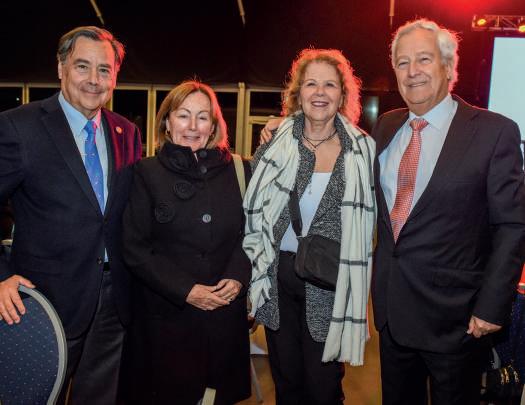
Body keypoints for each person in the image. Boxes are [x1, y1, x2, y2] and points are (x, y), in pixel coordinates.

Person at [371, 19, 525, 405]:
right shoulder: (386, 126)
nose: (412, 71)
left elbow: (511, 225)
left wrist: (492, 306)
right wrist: (285, 130)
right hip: (393, 313)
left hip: (458, 321)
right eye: (402, 62)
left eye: (423, 59)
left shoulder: (493, 132)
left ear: (447, 66)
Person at [0, 26, 142, 404]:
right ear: (61, 68)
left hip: (113, 303)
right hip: (44, 300)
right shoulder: (19, 127)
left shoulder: (127, 132)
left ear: (115, 77)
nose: (94, 79)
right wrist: (1, 276)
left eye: (104, 69)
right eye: (82, 66)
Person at [244, 49, 376, 404]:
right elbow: (254, 212)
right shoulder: (276, 145)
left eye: (330, 85)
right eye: (311, 84)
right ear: (298, 92)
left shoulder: (361, 151)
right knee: (287, 383)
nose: (320, 92)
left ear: (343, 94)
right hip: (278, 278)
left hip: (330, 279)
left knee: (324, 387)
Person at [121, 80, 251, 405]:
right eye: (183, 115)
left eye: (202, 117)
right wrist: (186, 290)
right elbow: (135, 248)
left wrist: (238, 276)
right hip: (165, 323)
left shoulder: (240, 171)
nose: (192, 126)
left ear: (214, 127)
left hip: (222, 321)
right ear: (167, 122)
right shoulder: (145, 173)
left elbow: (253, 234)